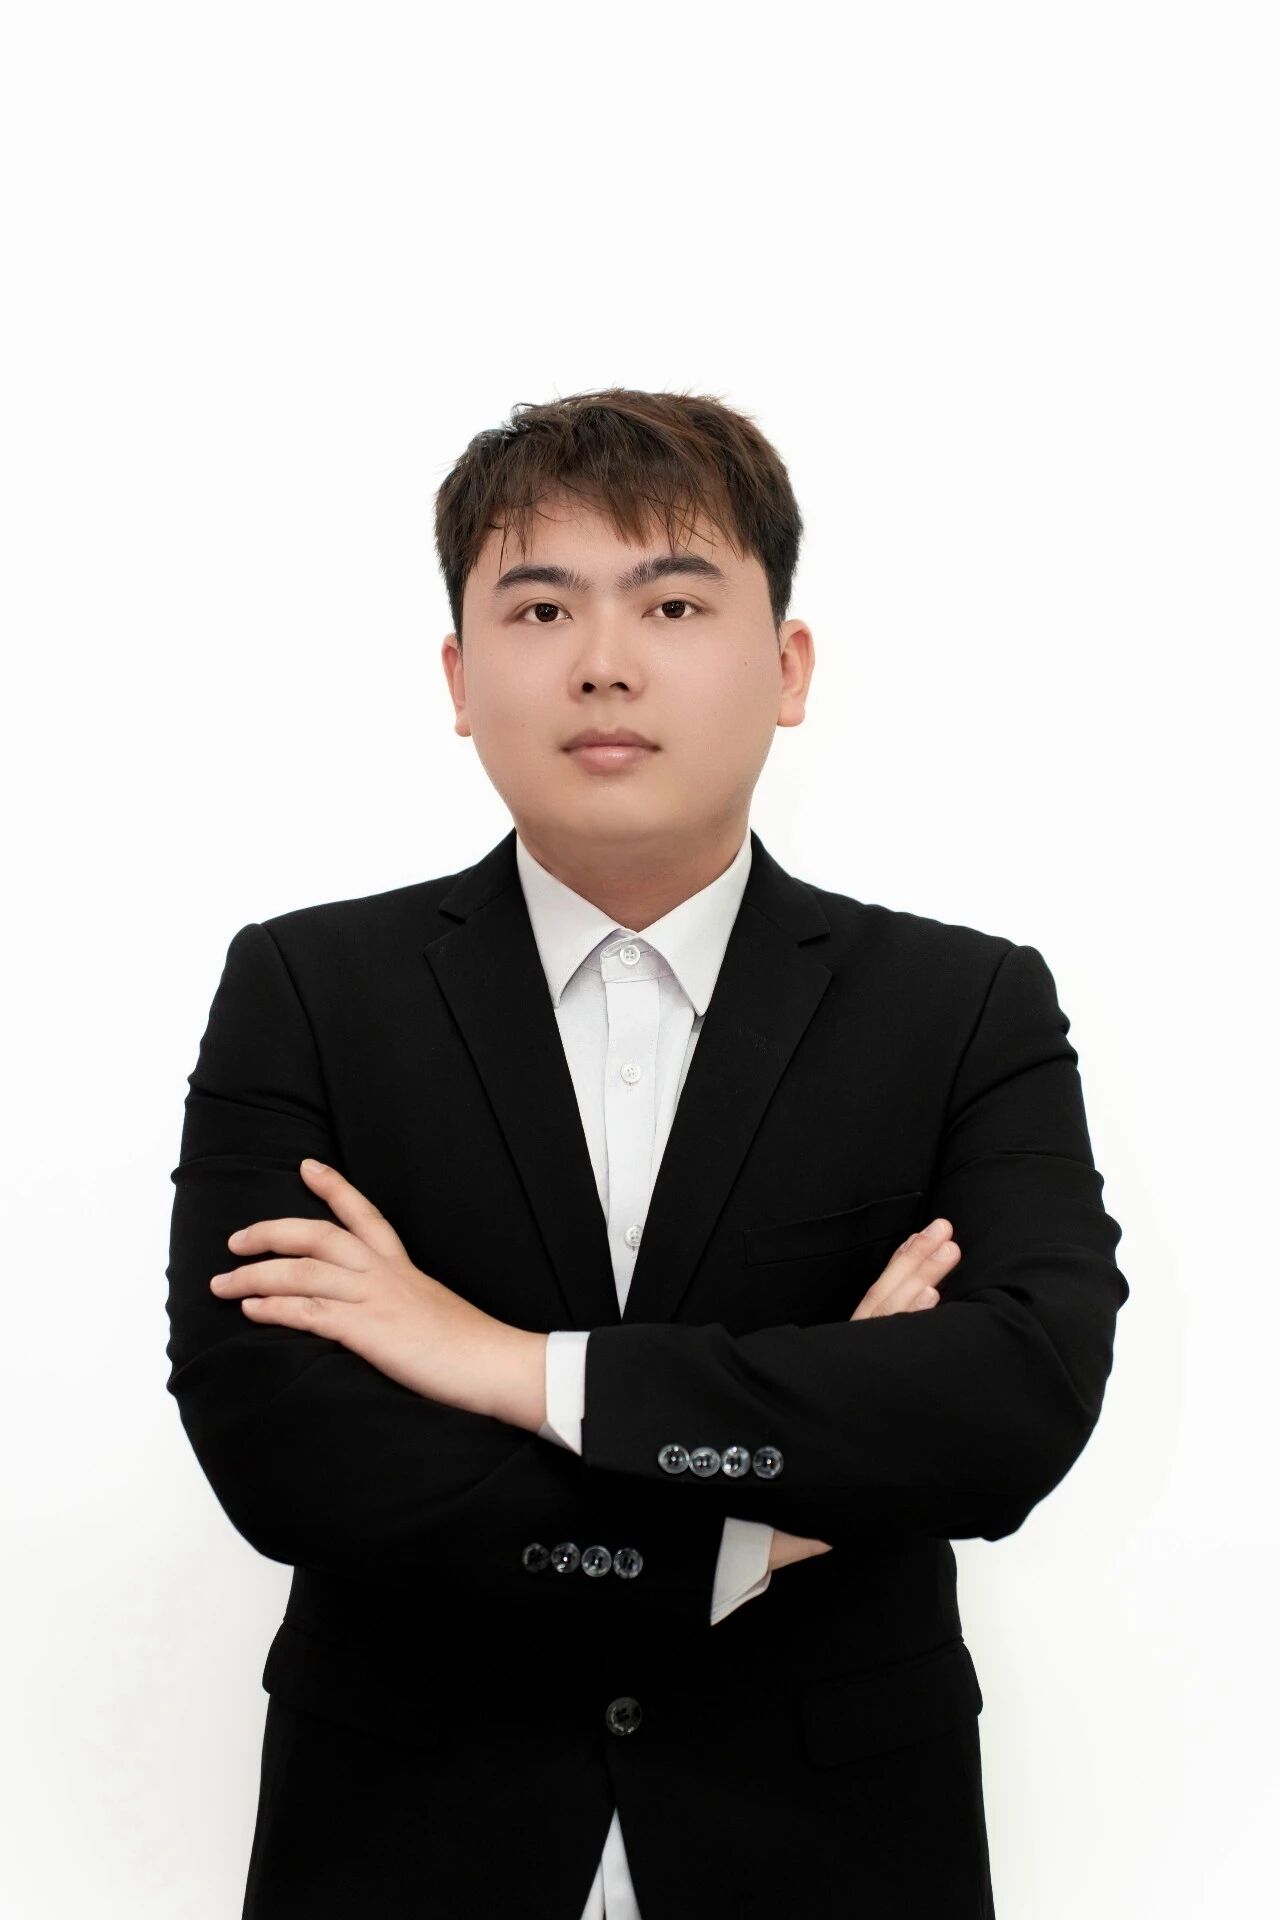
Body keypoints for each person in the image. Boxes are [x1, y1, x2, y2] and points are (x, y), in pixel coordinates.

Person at [164, 386, 1129, 1918]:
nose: (604, 659)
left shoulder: (961, 1006)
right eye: (540, 607)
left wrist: (505, 1365)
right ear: (460, 675)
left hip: (834, 1850)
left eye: (673, 602)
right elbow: (283, 1444)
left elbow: (1013, 1402)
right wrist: (751, 1532)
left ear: (787, 668)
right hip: (408, 1842)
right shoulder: (308, 991)